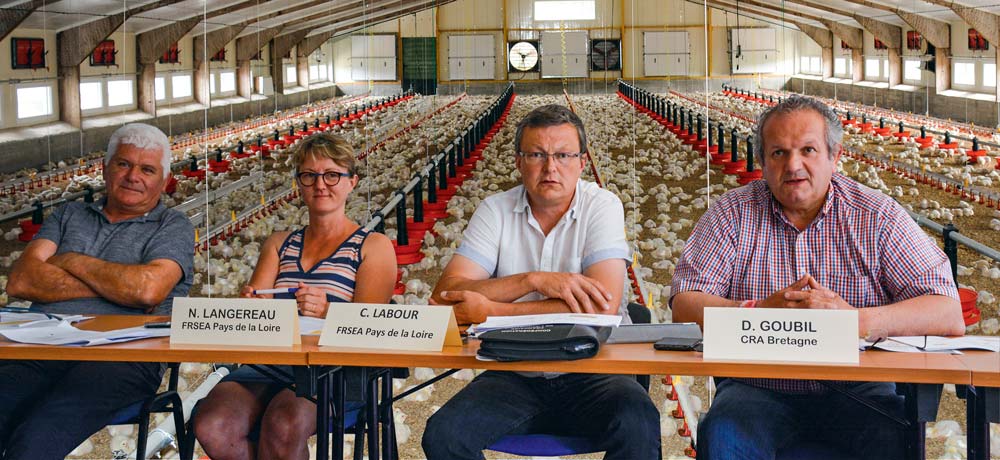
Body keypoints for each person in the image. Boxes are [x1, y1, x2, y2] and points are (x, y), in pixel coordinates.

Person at [670, 95, 964, 460]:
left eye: (808, 150)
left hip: (859, 387)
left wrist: (855, 321)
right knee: (724, 435)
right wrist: (757, 310)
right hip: (757, 387)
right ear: (761, 161)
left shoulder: (877, 217)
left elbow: (948, 312)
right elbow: (685, 303)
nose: (794, 165)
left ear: (834, 156)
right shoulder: (732, 214)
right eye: (778, 153)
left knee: (893, 440)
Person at [422, 104, 661, 460]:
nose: (551, 167)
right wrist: (534, 280)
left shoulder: (602, 206)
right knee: (444, 434)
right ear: (518, 161)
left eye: (563, 155)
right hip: (515, 372)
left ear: (582, 162)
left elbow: (602, 306)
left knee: (639, 424)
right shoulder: (496, 210)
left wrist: (495, 311)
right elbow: (445, 295)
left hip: (593, 369)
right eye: (537, 154)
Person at [193, 133, 396, 460]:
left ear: (351, 182)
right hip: (270, 365)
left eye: (332, 175)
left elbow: (371, 325)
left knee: (284, 423)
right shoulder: (278, 244)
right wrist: (253, 307)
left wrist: (328, 310)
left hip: (334, 369)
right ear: (298, 184)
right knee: (212, 424)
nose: (320, 185)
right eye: (309, 175)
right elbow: (258, 310)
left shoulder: (373, 246)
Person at [1, 123, 194, 459]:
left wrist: (70, 259)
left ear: (163, 181)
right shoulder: (68, 214)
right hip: (40, 348)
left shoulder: (173, 227)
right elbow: (22, 281)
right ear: (105, 169)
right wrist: (119, 287)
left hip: (123, 358)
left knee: (35, 439)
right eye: (123, 164)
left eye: (147, 169)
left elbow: (147, 291)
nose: (133, 176)